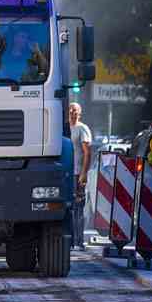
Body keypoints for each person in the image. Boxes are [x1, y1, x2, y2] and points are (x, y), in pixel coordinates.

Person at [68, 103, 92, 248]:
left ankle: (79, 241)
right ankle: (70, 241)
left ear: (79, 113)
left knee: (78, 208)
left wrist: (84, 173)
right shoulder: (63, 128)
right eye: (70, 109)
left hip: (77, 174)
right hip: (65, 173)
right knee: (67, 208)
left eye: (75, 110)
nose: (72, 112)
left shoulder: (82, 129)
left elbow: (87, 153)